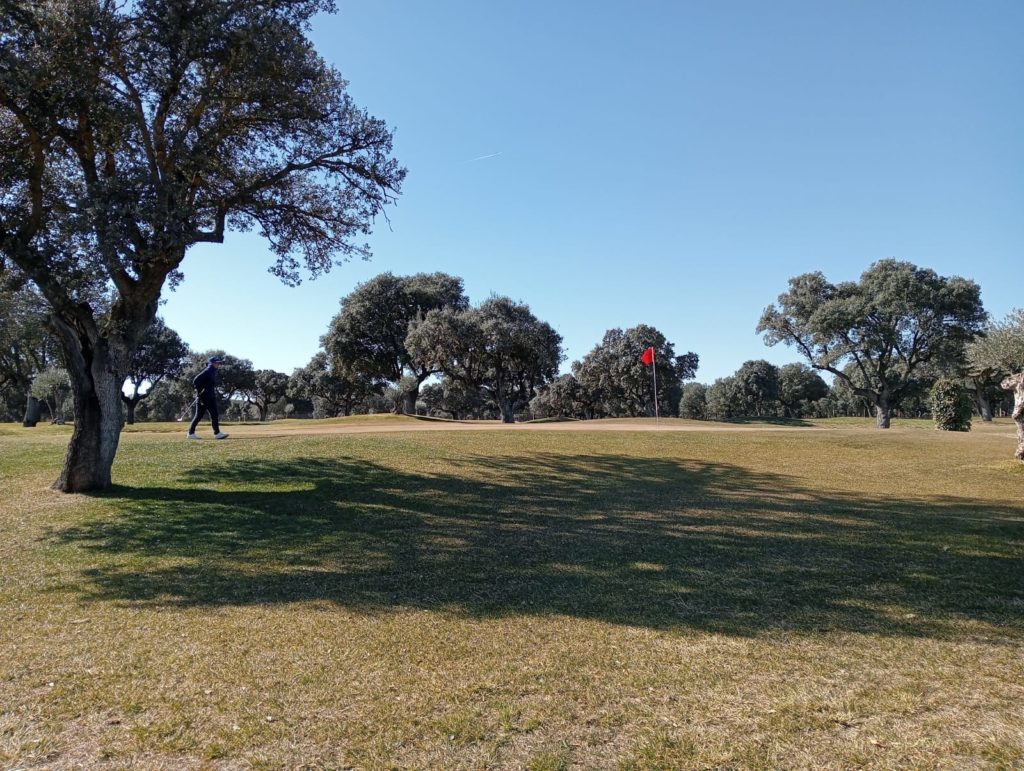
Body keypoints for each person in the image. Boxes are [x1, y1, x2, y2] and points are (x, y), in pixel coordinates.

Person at [187, 356, 229, 440]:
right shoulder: (208, 371)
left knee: (214, 415)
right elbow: (195, 380)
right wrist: (200, 391)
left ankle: (217, 433)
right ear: (212, 363)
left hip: (211, 397)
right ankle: (191, 433)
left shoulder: (213, 371)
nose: (218, 364)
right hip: (203, 398)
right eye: (216, 363)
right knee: (198, 416)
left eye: (219, 363)